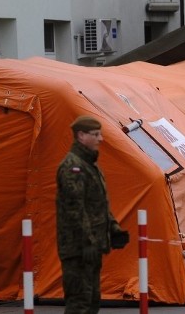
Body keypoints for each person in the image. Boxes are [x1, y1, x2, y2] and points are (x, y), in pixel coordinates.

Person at [56, 115, 128, 314]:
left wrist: (113, 228)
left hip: (92, 247)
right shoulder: (73, 167)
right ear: (81, 135)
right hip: (78, 249)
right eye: (95, 134)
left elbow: (98, 205)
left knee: (92, 302)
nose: (101, 139)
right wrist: (87, 242)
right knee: (80, 303)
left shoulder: (90, 166)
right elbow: (75, 210)